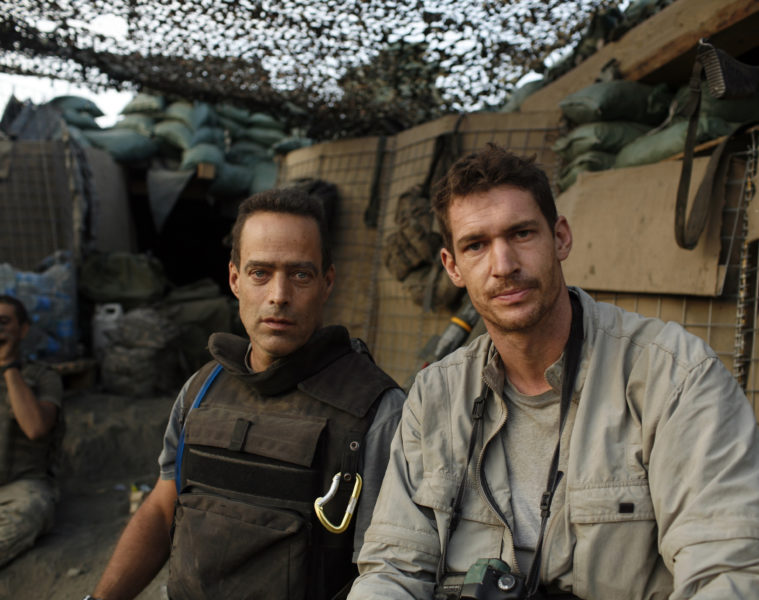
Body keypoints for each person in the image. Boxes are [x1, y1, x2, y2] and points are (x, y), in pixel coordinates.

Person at [349, 144, 759, 599]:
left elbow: (727, 571)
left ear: (560, 238)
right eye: (476, 245)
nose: (503, 266)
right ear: (453, 267)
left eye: (521, 233)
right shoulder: (434, 396)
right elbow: (392, 570)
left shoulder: (674, 377)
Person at [89, 188, 404, 600]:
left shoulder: (377, 412)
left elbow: (384, 572)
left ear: (327, 283)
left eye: (300, 275)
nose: (279, 295)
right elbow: (164, 506)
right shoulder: (201, 390)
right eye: (260, 273)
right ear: (235, 279)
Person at [0, 295, 63, 567]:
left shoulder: (42, 376)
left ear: (23, 329)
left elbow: (36, 428)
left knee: (27, 515)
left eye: (3, 322)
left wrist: (8, 366)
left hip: (21, 487)